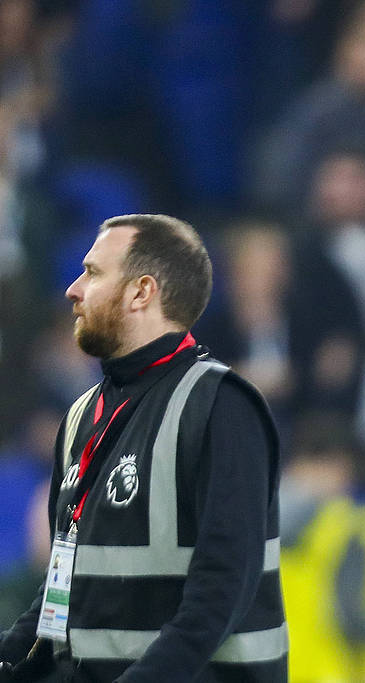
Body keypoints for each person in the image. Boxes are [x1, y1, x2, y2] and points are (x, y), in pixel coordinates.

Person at [0, 214, 287, 681]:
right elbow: (61, 590)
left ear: (141, 292)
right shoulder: (80, 417)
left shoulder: (221, 407)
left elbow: (220, 597)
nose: (73, 290)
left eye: (92, 273)